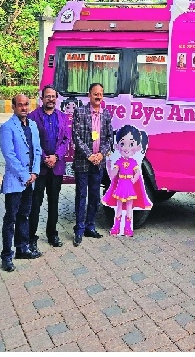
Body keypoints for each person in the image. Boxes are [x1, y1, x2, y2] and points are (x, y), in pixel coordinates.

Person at [0, 94, 41, 272]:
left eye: (26, 105)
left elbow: (37, 150)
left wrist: (35, 172)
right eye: (20, 105)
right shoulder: (7, 127)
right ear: (14, 107)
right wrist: (25, 176)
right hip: (16, 181)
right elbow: (9, 156)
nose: (24, 108)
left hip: (30, 179)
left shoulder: (33, 125)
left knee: (25, 215)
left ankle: (22, 248)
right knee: (11, 218)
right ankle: (6, 256)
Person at [26, 85, 69, 249]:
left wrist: (56, 156)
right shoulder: (33, 117)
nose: (51, 99)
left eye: (53, 96)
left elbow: (66, 140)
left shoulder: (63, 117)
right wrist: (45, 158)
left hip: (56, 167)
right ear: (42, 98)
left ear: (56, 98)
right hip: (39, 168)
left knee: (54, 202)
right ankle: (31, 237)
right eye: (47, 96)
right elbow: (31, 141)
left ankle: (52, 234)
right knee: (35, 203)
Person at [71, 83, 112, 247]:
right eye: (95, 93)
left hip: (98, 163)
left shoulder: (106, 114)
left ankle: (90, 226)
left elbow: (110, 137)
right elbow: (76, 136)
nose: (98, 96)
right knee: (81, 196)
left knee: (95, 196)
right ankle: (79, 230)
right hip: (83, 162)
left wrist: (101, 154)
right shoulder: (80, 112)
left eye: (101, 94)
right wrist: (90, 155)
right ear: (89, 95)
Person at [102, 125, 152, 237]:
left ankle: (128, 227)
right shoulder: (119, 161)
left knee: (129, 206)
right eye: (122, 144)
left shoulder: (134, 162)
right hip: (121, 186)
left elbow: (137, 172)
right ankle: (117, 226)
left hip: (129, 186)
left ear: (137, 147)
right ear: (117, 146)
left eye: (131, 144)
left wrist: (133, 180)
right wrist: (109, 166)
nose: (126, 148)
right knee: (119, 206)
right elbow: (112, 175)